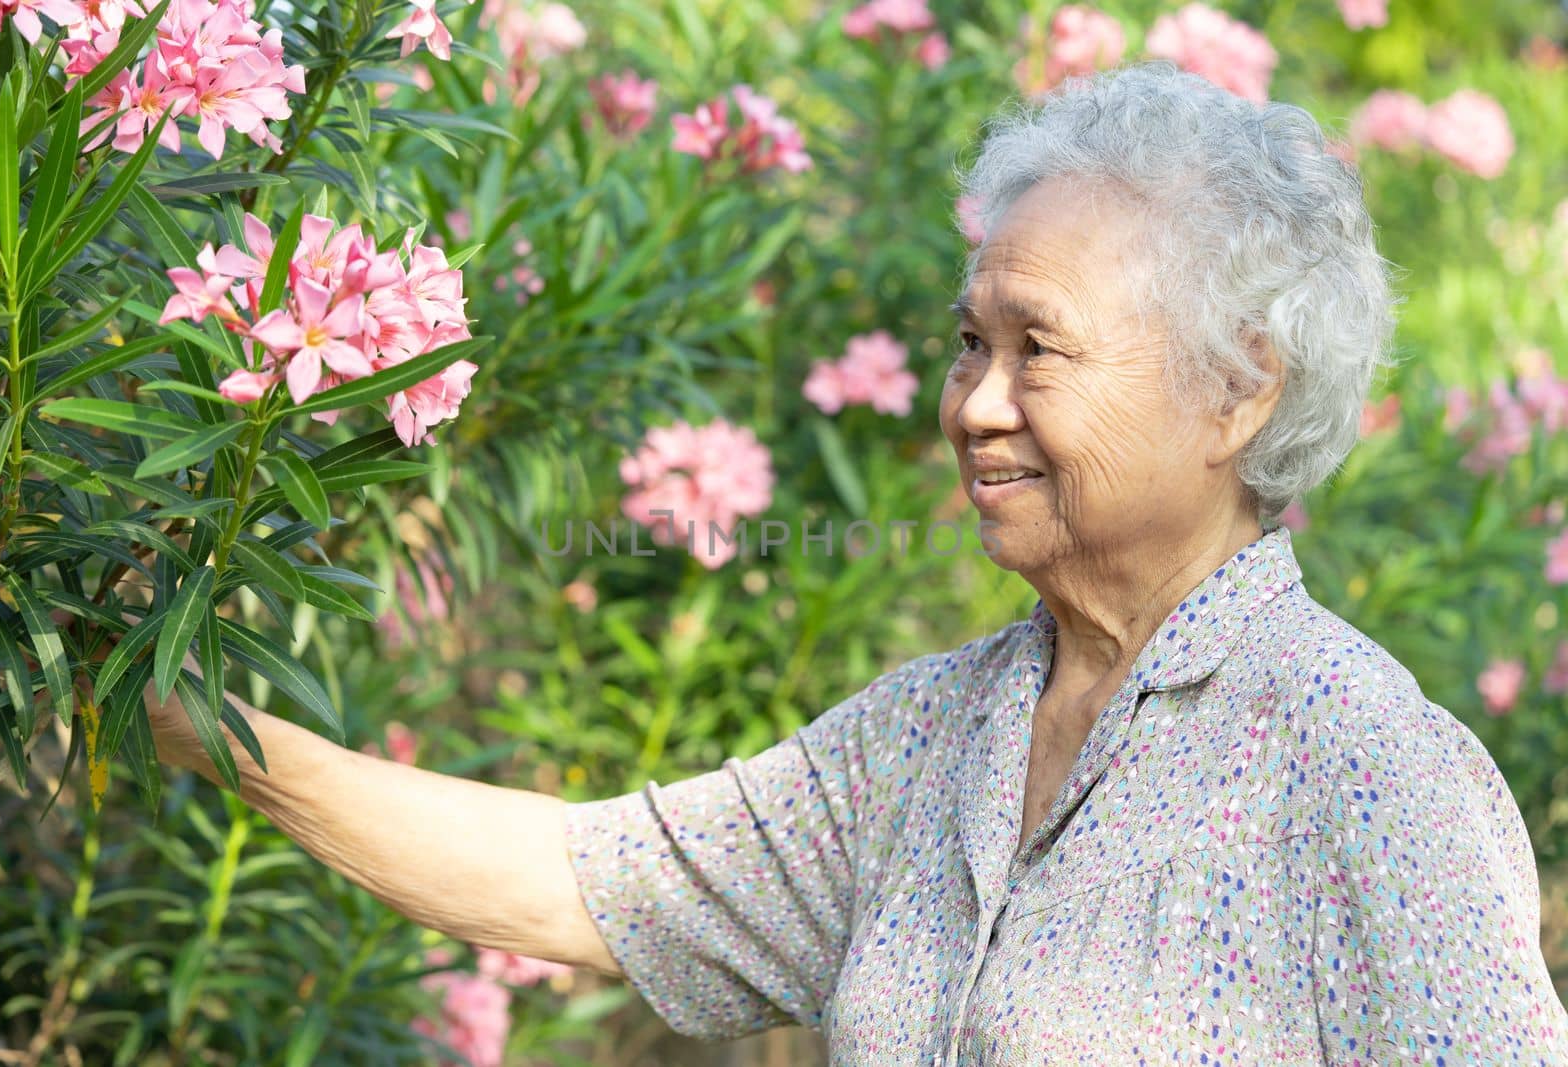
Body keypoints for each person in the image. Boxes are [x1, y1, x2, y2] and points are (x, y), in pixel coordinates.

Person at [144, 63, 1568, 1064]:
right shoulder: (939, 730)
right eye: (969, 342)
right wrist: (203, 721)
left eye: (1038, 348)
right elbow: (580, 885)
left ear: (1239, 389)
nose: (975, 402)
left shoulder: (1372, 772)